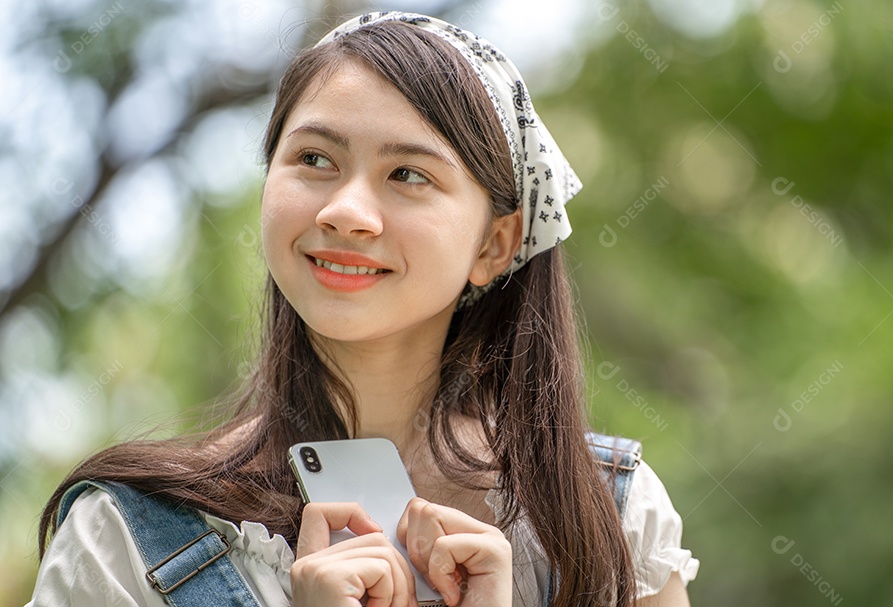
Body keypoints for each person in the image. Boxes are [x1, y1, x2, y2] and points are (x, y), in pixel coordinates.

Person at [26, 11, 698, 607]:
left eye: (408, 173)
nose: (345, 211)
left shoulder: (608, 519)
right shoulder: (121, 540)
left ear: (497, 243)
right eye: (314, 157)